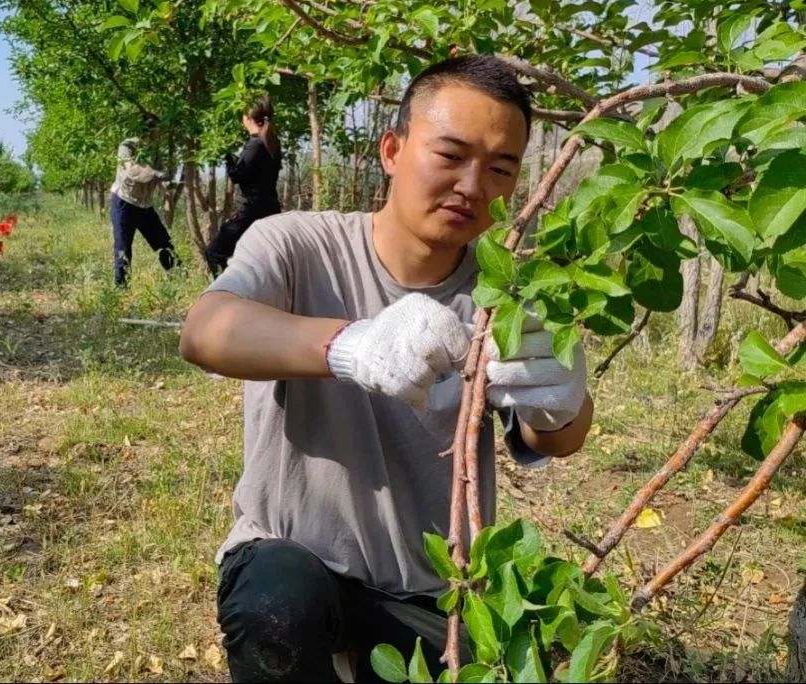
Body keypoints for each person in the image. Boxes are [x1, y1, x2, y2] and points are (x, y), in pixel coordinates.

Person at [179, 56, 594, 682]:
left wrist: (561, 398)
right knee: (276, 607)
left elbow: (558, 438)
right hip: (294, 557)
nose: (473, 185)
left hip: (430, 585)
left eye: (501, 168)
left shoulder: (509, 293)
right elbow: (206, 332)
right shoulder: (296, 244)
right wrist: (352, 345)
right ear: (393, 150)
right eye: (450, 155)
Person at [205, 95, 282, 277]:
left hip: (249, 211)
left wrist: (229, 161)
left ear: (248, 117)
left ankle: (228, 295)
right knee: (260, 261)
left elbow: (239, 176)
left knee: (215, 252)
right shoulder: (272, 143)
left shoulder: (255, 144)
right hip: (270, 209)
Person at [109, 135, 179, 287]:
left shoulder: (156, 152)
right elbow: (133, 172)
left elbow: (163, 176)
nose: (156, 137)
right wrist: (157, 174)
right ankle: (122, 289)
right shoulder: (127, 146)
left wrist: (168, 182)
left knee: (163, 243)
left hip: (144, 205)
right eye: (153, 132)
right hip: (124, 202)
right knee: (123, 247)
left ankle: (180, 277)